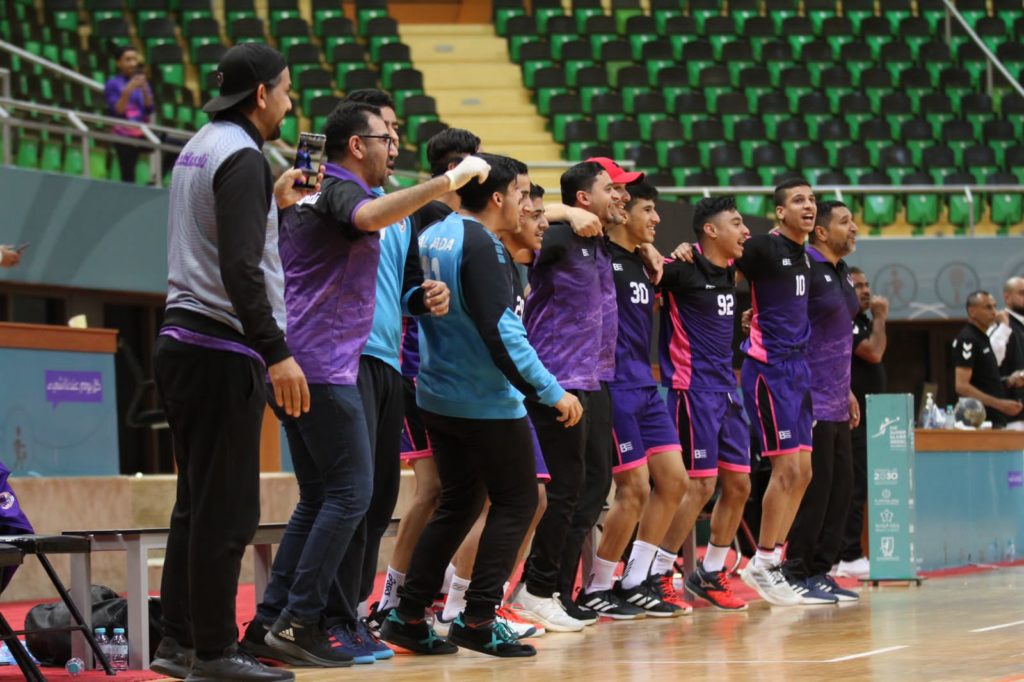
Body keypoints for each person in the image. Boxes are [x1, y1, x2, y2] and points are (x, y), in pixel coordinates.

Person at [380, 154, 583, 657]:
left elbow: (409, 298)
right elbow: (502, 332)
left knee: (458, 504)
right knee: (519, 502)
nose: (527, 204)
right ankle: (477, 618)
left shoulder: (434, 233)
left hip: (436, 393)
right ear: (497, 197)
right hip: (484, 400)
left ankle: (407, 616)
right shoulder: (484, 245)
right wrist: (550, 391)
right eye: (522, 194)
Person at [149, 43, 307, 682]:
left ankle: (179, 641)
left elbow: (223, 233)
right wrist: (278, 352)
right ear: (261, 94)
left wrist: (272, 201)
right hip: (219, 347)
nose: (290, 102)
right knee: (229, 510)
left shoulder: (202, 145)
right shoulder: (242, 157)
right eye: (286, 90)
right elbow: (240, 269)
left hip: (182, 341)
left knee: (197, 503)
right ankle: (215, 652)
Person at [374, 128, 482, 621]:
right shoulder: (427, 216)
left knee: (457, 491)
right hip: (415, 369)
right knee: (434, 488)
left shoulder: (464, 223)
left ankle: (430, 587)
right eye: (475, 165)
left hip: (447, 374)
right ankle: (392, 597)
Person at [514, 161, 621, 632]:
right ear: (582, 199)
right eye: (609, 189)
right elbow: (515, 230)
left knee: (591, 488)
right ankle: (535, 588)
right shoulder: (557, 235)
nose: (617, 196)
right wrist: (560, 212)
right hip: (557, 378)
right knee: (563, 490)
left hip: (593, 378)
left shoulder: (598, 242)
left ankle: (555, 589)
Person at [576, 182, 690, 619]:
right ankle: (597, 586)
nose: (657, 218)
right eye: (648, 210)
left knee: (675, 481)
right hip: (614, 386)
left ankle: (635, 580)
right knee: (635, 488)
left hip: (646, 385)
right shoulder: (600, 257)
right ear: (623, 214)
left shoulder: (646, 263)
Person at [658, 196, 752, 612]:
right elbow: (644, 269)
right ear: (711, 230)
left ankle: (710, 572)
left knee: (740, 485)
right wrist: (667, 251)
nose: (745, 230)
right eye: (737, 223)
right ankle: (659, 571)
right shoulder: (680, 268)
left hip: (727, 391)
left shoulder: (731, 269)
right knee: (700, 485)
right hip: (692, 390)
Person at [734, 178, 816, 607]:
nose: (809, 205)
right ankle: (761, 561)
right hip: (769, 369)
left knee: (804, 472)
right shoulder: (764, 248)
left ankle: (772, 562)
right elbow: (719, 265)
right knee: (785, 470)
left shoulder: (805, 255)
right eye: (799, 200)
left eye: (812, 199)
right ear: (780, 212)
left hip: (799, 370)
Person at [783, 200, 861, 605]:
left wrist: (846, 389)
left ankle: (819, 571)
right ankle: (795, 570)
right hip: (809, 396)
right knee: (815, 490)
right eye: (845, 222)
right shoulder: (806, 267)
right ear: (822, 232)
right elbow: (779, 318)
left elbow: (835, 336)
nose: (854, 227)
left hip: (837, 397)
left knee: (840, 489)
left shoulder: (841, 271)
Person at [837, 266, 888, 578]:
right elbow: (874, 353)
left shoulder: (864, 321)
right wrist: (881, 318)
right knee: (852, 486)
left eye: (868, 285)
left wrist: (876, 320)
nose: (866, 291)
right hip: (850, 418)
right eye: (858, 286)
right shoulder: (847, 320)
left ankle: (843, 554)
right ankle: (849, 554)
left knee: (858, 485)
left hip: (869, 417)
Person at [952, 291, 1024, 427]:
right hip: (979, 421)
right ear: (972, 311)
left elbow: (984, 381)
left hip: (995, 420)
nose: (994, 312)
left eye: (995, 306)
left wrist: (1008, 381)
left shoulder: (983, 338)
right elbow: (961, 386)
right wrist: (1000, 404)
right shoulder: (968, 339)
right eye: (988, 307)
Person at [104, 44, 154, 184]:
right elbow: (118, 111)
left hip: (142, 132)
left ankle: (155, 178)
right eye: (128, 60)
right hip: (123, 134)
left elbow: (150, 109)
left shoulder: (143, 82)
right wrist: (128, 89)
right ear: (119, 63)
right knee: (128, 176)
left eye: (134, 59)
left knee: (175, 146)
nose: (132, 63)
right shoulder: (113, 83)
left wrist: (145, 90)